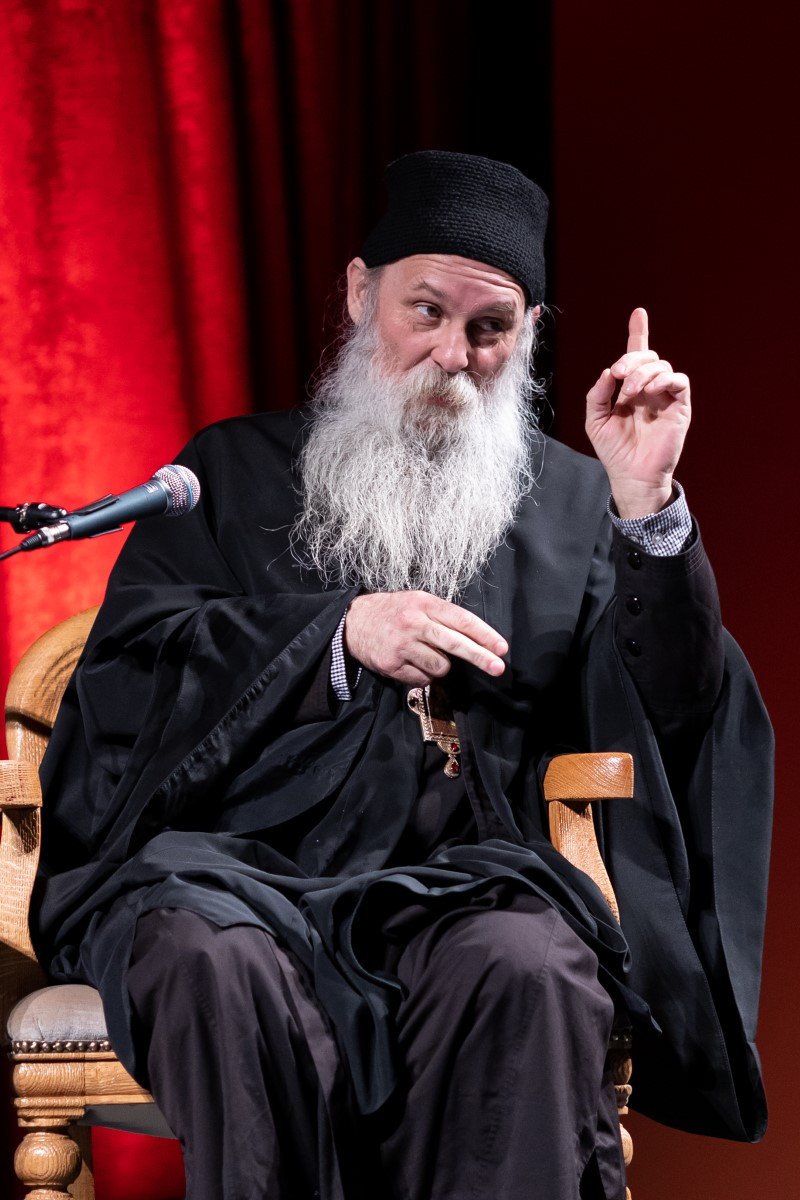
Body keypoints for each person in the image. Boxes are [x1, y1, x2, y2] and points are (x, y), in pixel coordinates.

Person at [32, 151, 772, 1200]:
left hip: (461, 882)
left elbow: (679, 708)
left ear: (526, 334)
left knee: (530, 966)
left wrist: (645, 506)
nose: (452, 355)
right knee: (211, 962)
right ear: (358, 293)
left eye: (489, 328)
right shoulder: (228, 474)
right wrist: (334, 636)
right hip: (230, 873)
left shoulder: (573, 501)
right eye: (426, 311)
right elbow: (129, 680)